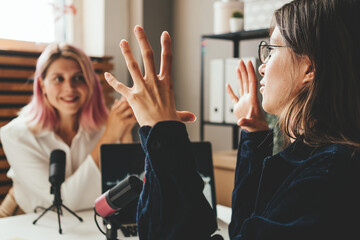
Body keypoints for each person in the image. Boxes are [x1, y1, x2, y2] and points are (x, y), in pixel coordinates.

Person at [105, 0, 360, 239]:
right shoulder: (319, 157)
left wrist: (162, 135)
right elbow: (244, 228)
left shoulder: (329, 175)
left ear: (310, 68)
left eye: (270, 50)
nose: (262, 65)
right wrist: (254, 134)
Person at [0, 43, 136, 217]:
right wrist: (109, 137)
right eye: (58, 78)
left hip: (89, 219)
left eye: (78, 78)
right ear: (42, 86)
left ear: (90, 84)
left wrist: (124, 133)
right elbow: (62, 202)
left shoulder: (106, 125)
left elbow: (123, 187)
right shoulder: (16, 135)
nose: (70, 88)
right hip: (30, 219)